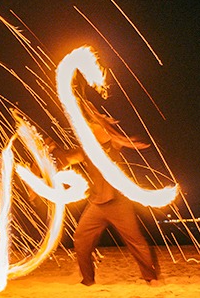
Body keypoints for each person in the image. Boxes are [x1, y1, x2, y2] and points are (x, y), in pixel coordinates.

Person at [55, 109, 161, 286]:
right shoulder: (85, 151)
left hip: (119, 203)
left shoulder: (113, 144)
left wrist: (97, 117)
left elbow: (113, 134)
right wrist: (51, 150)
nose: (92, 132)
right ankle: (88, 280)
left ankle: (150, 277)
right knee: (81, 239)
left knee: (135, 240)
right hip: (97, 204)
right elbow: (66, 159)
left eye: (95, 129)